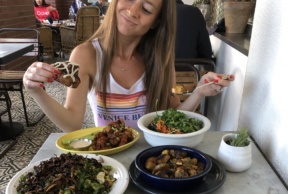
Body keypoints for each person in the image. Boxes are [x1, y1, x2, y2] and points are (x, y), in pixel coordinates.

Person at [23, 0, 234, 132]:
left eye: (146, 9)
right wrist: (36, 91)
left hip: (152, 156)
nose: (133, 11)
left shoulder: (160, 58)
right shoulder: (86, 54)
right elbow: (72, 124)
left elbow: (172, 114)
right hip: (109, 159)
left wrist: (198, 92)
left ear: (156, 23)